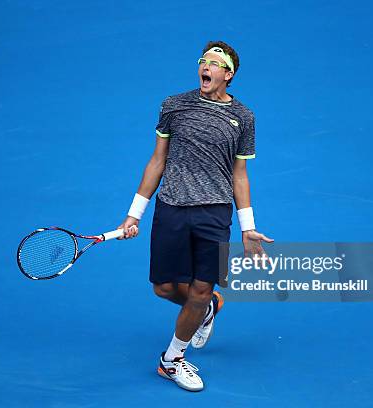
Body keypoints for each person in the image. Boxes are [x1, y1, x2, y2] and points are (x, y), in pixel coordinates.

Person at [117, 41, 273, 392]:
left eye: (215, 63)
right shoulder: (174, 105)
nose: (206, 67)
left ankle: (171, 359)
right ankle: (206, 309)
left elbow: (239, 175)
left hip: (215, 212)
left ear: (228, 74)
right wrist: (134, 213)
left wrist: (248, 228)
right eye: (203, 61)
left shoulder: (243, 117)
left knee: (201, 288)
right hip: (171, 207)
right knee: (164, 288)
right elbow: (157, 161)